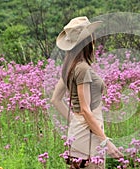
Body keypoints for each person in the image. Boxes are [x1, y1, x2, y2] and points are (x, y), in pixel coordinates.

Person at [51, 16, 123, 169]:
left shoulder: (69, 66)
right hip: (90, 138)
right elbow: (85, 109)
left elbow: (55, 100)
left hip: (78, 134)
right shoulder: (83, 69)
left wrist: (76, 123)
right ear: (88, 41)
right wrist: (106, 142)